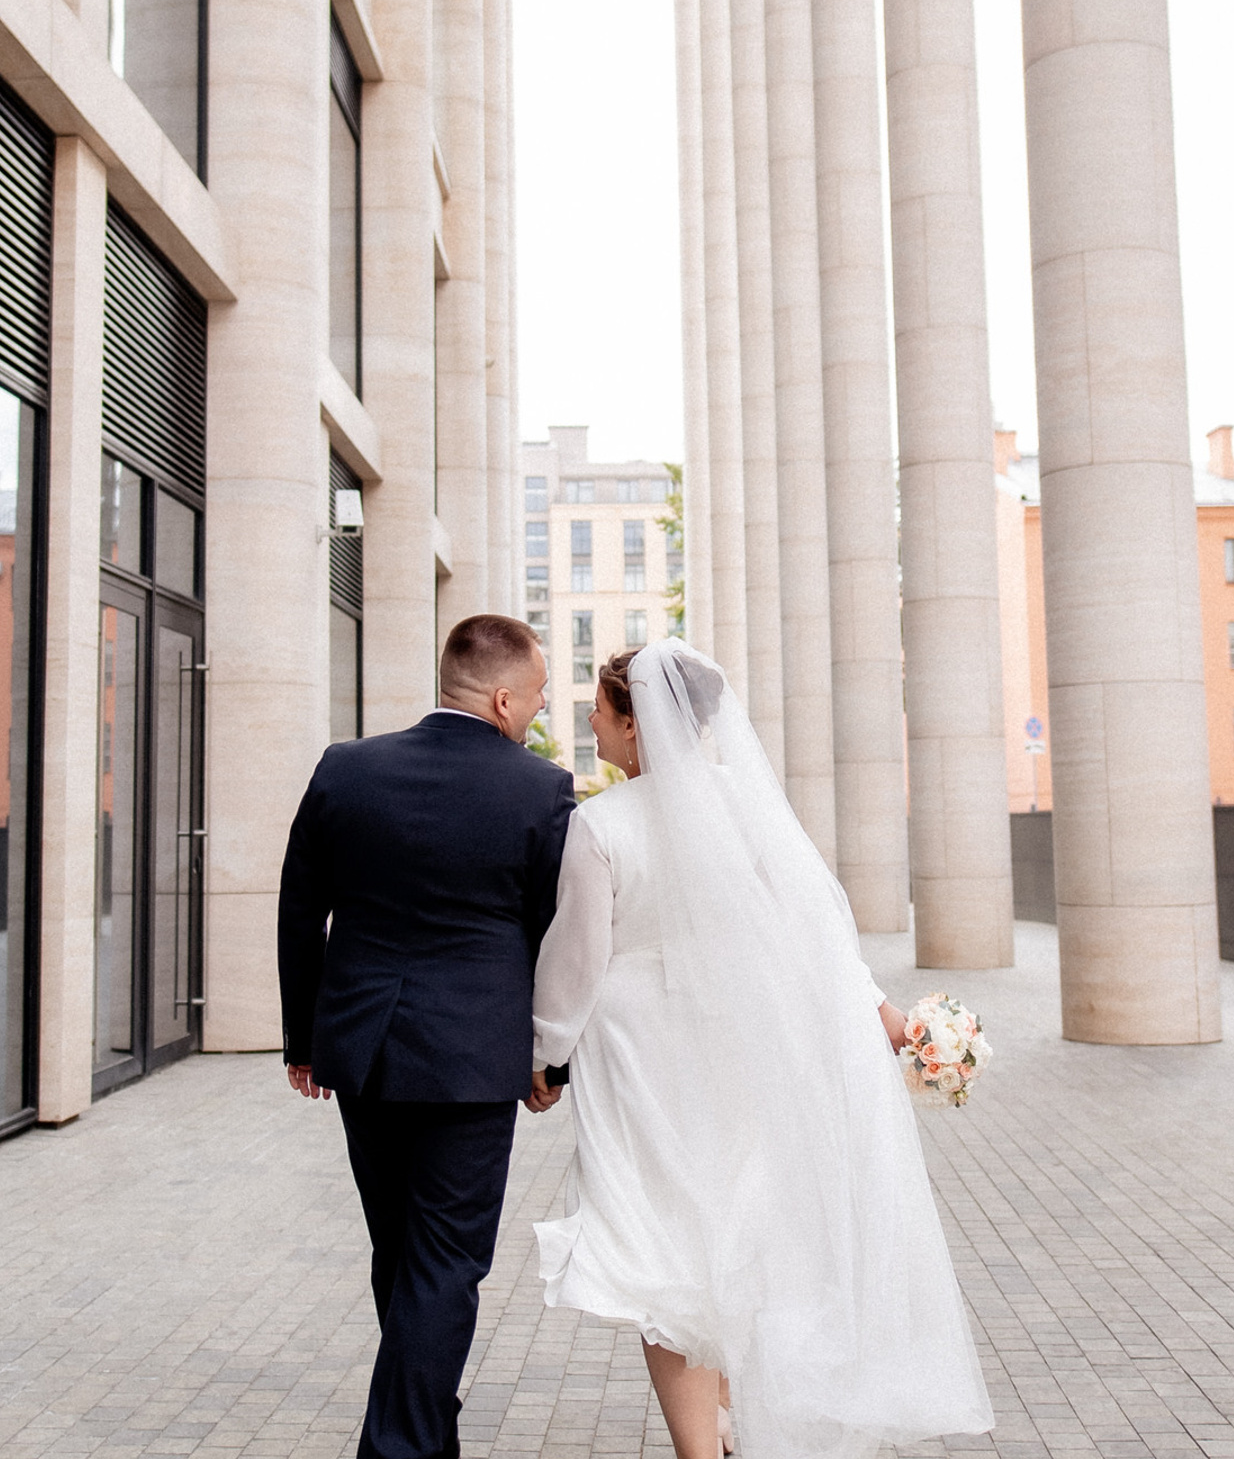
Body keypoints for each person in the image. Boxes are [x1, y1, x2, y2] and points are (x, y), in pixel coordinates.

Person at [530, 639, 995, 1459]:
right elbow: (813, 933)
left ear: (636, 723)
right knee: (730, 1234)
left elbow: (576, 961)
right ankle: (725, 1415)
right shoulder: (745, 808)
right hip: (738, 1049)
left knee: (663, 1251)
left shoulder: (598, 825)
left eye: (599, 712)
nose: (592, 725)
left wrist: (544, 1052)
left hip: (640, 1063)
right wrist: (883, 1014)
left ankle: (699, 1448)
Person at [278, 613, 576, 1459]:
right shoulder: (541, 789)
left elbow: (299, 909)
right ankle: (399, 1448)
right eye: (538, 696)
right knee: (445, 1261)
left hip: (362, 1049)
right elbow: (555, 937)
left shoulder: (346, 767)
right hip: (473, 1062)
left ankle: (424, 1433)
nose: (540, 711)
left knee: (402, 1251)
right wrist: (551, 1058)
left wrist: (303, 1039)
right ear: (504, 698)